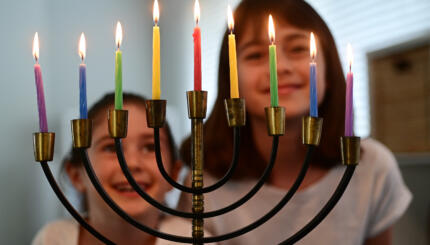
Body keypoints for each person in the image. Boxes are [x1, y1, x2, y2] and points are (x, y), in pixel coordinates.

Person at [179, 0, 412, 244]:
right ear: (231, 81)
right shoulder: (203, 181)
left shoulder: (371, 166)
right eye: (256, 55)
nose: (278, 67)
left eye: (299, 49)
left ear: (329, 69)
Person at [33, 93, 207, 245]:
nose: (131, 163)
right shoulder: (52, 239)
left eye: (149, 147)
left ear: (173, 173)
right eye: (111, 148)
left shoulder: (194, 239)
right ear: (77, 175)